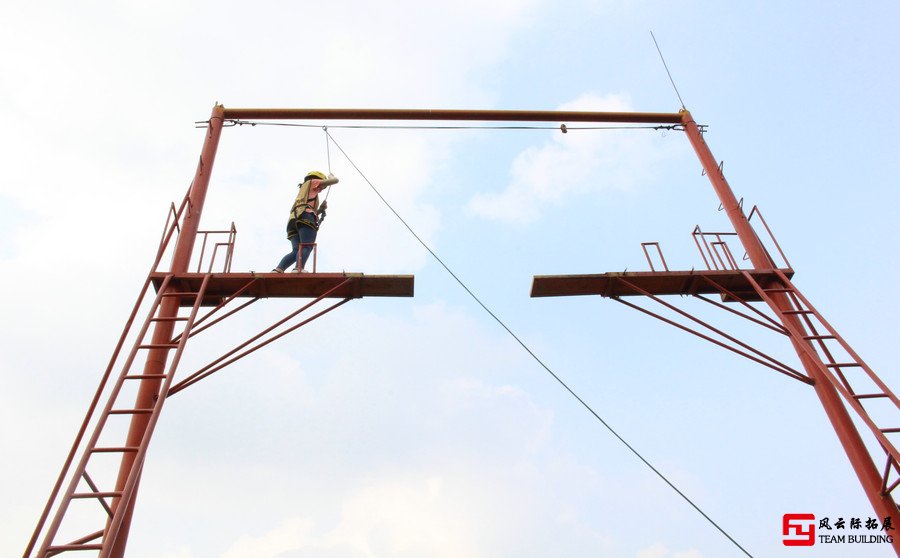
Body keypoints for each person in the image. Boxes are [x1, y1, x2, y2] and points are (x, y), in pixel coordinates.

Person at [272, 170, 339, 273]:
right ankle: (299, 268)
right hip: (304, 217)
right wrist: (331, 177)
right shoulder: (313, 182)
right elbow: (335, 181)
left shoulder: (305, 190)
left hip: (293, 220)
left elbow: (307, 208)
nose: (321, 189)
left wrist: (320, 210)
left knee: (296, 251)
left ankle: (278, 269)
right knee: (306, 245)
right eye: (322, 186)